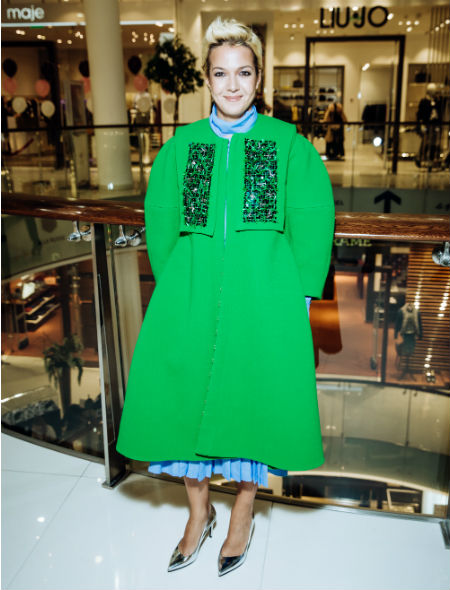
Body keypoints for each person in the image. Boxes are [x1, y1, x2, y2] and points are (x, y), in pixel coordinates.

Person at [116, 16, 335, 577]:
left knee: (253, 404)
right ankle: (198, 513)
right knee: (183, 403)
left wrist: (300, 296)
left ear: (258, 78)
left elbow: (311, 221)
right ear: (207, 80)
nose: (232, 84)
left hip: (264, 302)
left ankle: (242, 512)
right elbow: (162, 220)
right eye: (220, 73)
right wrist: (175, 285)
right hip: (189, 298)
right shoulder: (182, 147)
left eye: (243, 73)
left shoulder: (287, 146)